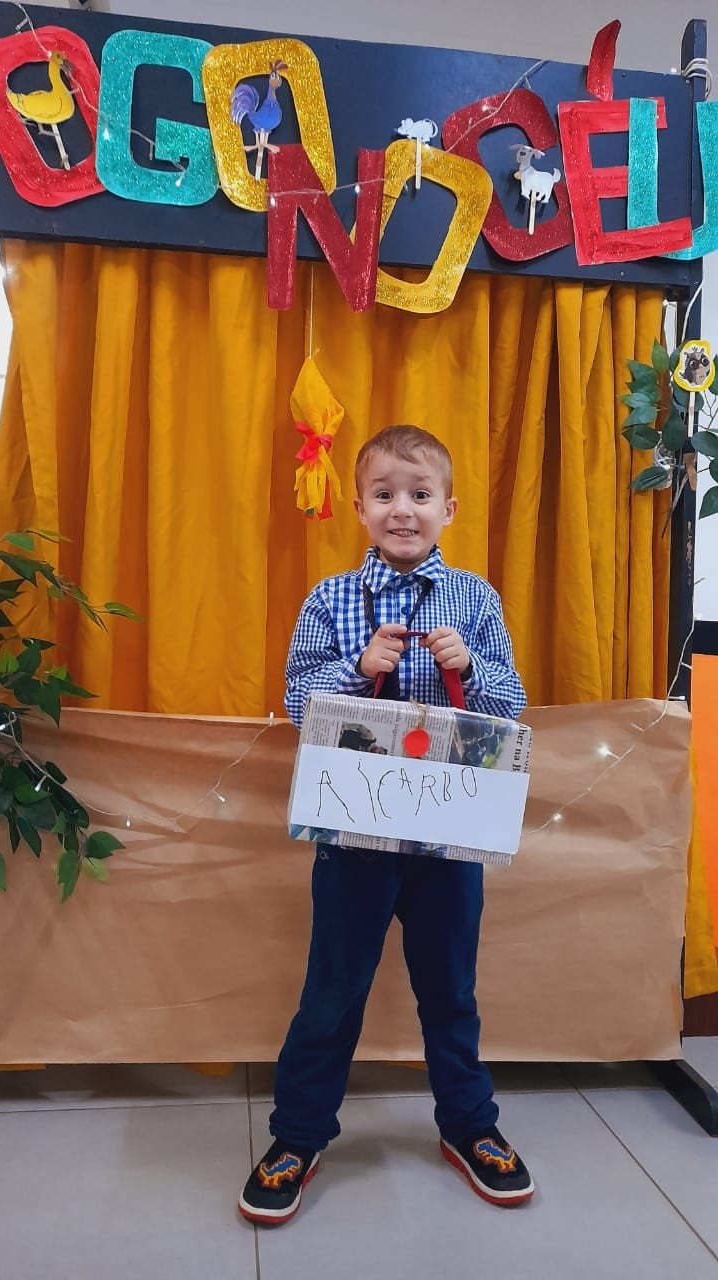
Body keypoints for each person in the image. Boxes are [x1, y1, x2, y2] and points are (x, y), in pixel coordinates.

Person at [239, 425, 533, 1225]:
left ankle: (470, 1126)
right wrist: (356, 667)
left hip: (449, 835)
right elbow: (298, 704)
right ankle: (298, 1134)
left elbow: (511, 706)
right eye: (384, 494)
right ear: (360, 508)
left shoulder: (476, 599)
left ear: (448, 509)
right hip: (353, 836)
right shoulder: (330, 599)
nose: (402, 509)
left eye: (420, 494)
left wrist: (471, 666)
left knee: (451, 990)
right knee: (331, 992)